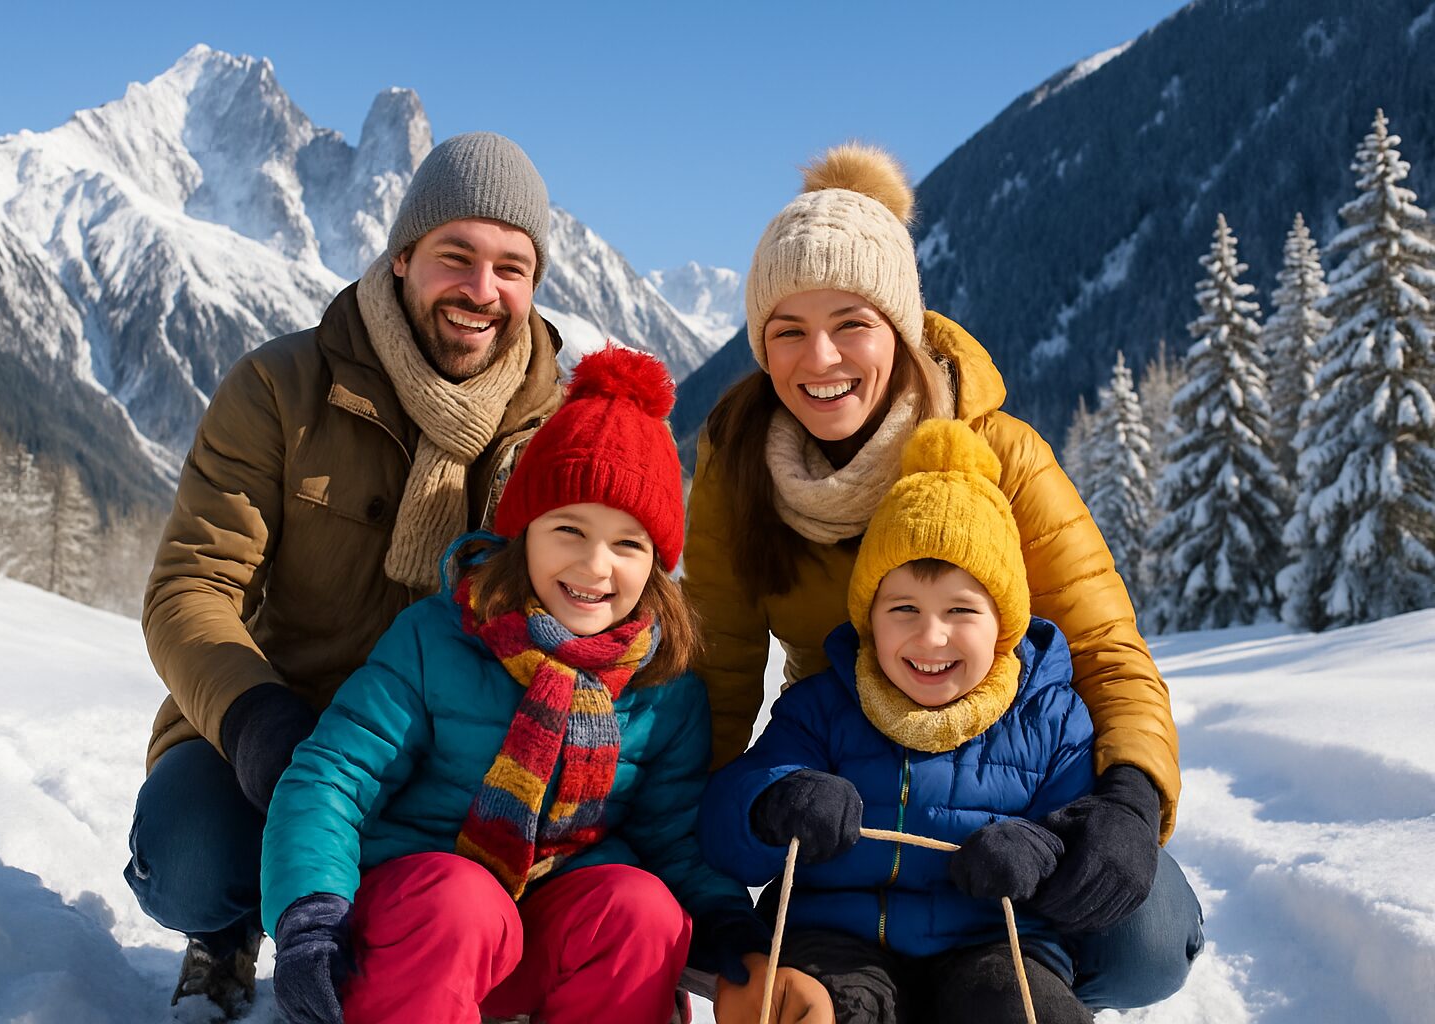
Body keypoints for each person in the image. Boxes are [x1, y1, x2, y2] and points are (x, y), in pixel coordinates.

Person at [682, 143, 1203, 1010]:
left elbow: (1106, 649)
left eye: (851, 322)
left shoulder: (1003, 455)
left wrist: (1125, 804)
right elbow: (716, 674)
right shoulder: (740, 466)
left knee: (1142, 935)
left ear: (900, 325)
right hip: (847, 784)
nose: (819, 359)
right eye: (787, 330)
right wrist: (726, 832)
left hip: (998, 786)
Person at [126, 132, 568, 1016]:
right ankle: (227, 925)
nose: (482, 292)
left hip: (447, 752)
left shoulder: (556, 430)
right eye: (457, 257)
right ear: (402, 256)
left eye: (511, 268)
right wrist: (255, 719)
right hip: (272, 729)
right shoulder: (281, 389)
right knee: (188, 863)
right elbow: (189, 590)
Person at [259, 346, 771, 1024]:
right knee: (464, 901)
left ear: (656, 564)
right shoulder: (438, 640)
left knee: (643, 909)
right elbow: (332, 778)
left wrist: (729, 926)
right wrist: (311, 913)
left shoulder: (663, 685)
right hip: (421, 934)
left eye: (628, 543)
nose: (595, 565)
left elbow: (675, 838)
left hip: (548, 939)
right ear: (522, 534)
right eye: (569, 529)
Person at [704, 417, 1098, 1024]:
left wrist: (1037, 848)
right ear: (870, 618)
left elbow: (1077, 833)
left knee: (1019, 1010)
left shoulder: (1047, 719)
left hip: (992, 945)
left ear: (1005, 624)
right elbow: (727, 826)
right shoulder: (823, 708)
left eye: (962, 610)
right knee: (821, 1011)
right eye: (904, 608)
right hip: (836, 940)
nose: (930, 635)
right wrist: (774, 803)